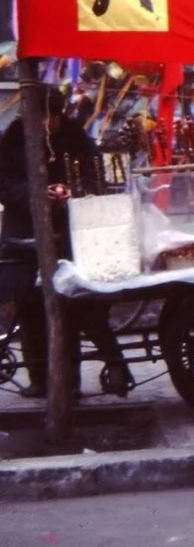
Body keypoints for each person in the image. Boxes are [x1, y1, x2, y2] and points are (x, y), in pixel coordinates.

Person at [0, 85, 131, 398]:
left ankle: (69, 382)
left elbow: (94, 176)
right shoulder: (12, 139)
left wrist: (72, 193)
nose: (47, 123)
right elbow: (4, 183)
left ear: (60, 116)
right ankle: (39, 379)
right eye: (40, 116)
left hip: (71, 234)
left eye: (51, 117)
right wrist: (34, 195)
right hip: (24, 237)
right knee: (30, 308)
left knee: (73, 307)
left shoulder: (74, 137)